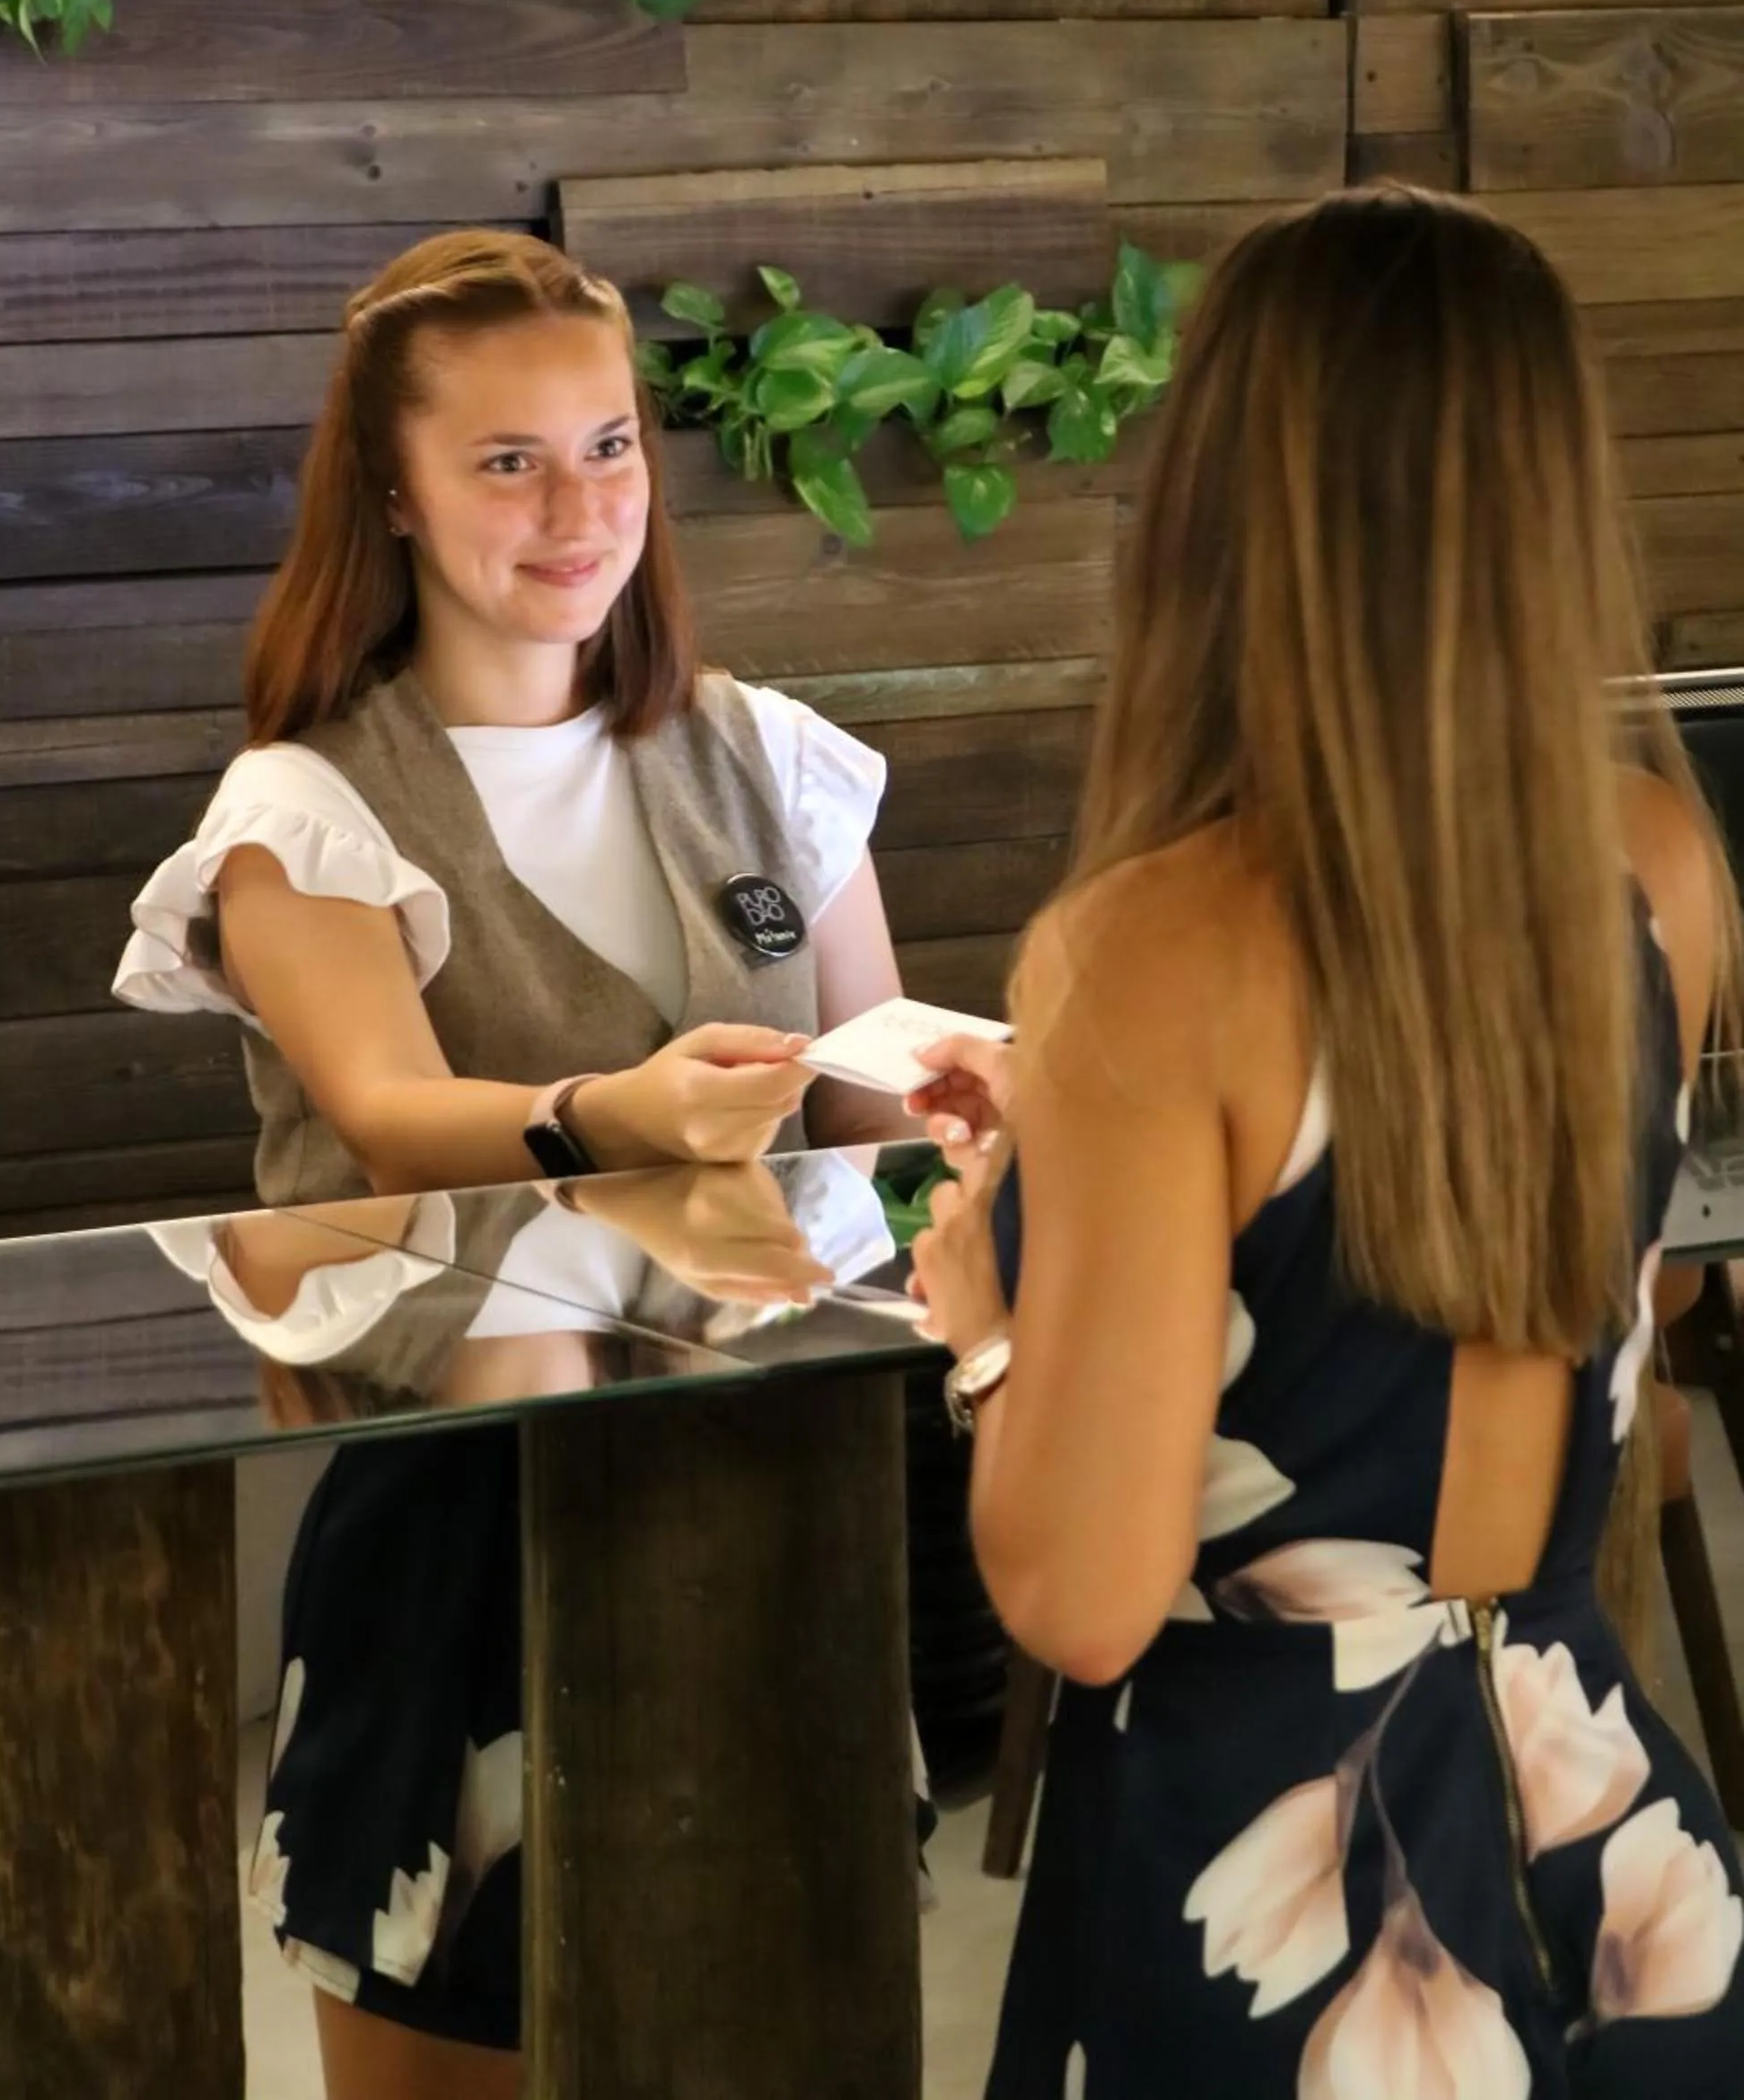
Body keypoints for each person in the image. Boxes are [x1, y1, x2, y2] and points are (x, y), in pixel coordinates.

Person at [904, 185, 1744, 2097]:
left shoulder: (1148, 949)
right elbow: (1607, 1294)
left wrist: (992, 1323)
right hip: (1616, 1860)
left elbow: (1082, 1603)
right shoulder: (1655, 862)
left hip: (1277, 1889)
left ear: (1221, 494)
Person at [114, 230, 909, 2100]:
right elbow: (390, 1111)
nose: (580, 508)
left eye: (610, 445)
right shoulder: (306, 805)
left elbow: (873, 1098)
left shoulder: (770, 757)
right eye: (507, 461)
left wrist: (993, 1084)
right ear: (388, 492)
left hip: (773, 1501)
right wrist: (609, 1111)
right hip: (463, 1535)